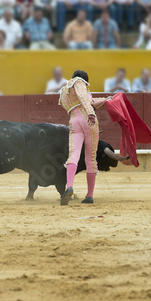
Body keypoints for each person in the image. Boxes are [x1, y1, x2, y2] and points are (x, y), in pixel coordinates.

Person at [58, 69, 109, 205]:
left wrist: (105, 100)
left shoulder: (64, 91)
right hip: (88, 120)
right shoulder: (79, 82)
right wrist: (90, 113)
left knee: (73, 154)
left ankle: (69, 186)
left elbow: (88, 100)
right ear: (84, 80)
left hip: (74, 120)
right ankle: (90, 195)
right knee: (91, 158)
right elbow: (84, 98)